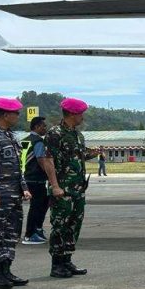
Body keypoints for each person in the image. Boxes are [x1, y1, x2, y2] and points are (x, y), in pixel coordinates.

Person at [0, 98, 32, 289]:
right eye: (15, 113)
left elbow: (18, 166)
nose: (18, 116)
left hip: (14, 194)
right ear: (4, 115)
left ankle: (6, 271)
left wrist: (24, 187)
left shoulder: (10, 136)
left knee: (11, 233)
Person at [42, 98, 93, 278]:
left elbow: (77, 157)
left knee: (73, 225)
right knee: (60, 226)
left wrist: (92, 154)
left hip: (77, 190)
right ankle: (57, 264)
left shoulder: (78, 135)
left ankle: (67, 260)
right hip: (62, 189)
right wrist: (55, 186)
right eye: (80, 113)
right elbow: (48, 160)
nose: (82, 117)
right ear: (71, 114)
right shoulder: (55, 133)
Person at [21, 116, 50, 245]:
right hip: (35, 179)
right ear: (37, 127)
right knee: (37, 206)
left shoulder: (25, 140)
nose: (45, 128)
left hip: (26, 177)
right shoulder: (38, 141)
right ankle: (31, 234)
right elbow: (41, 160)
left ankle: (36, 230)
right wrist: (50, 175)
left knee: (41, 204)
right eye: (43, 126)